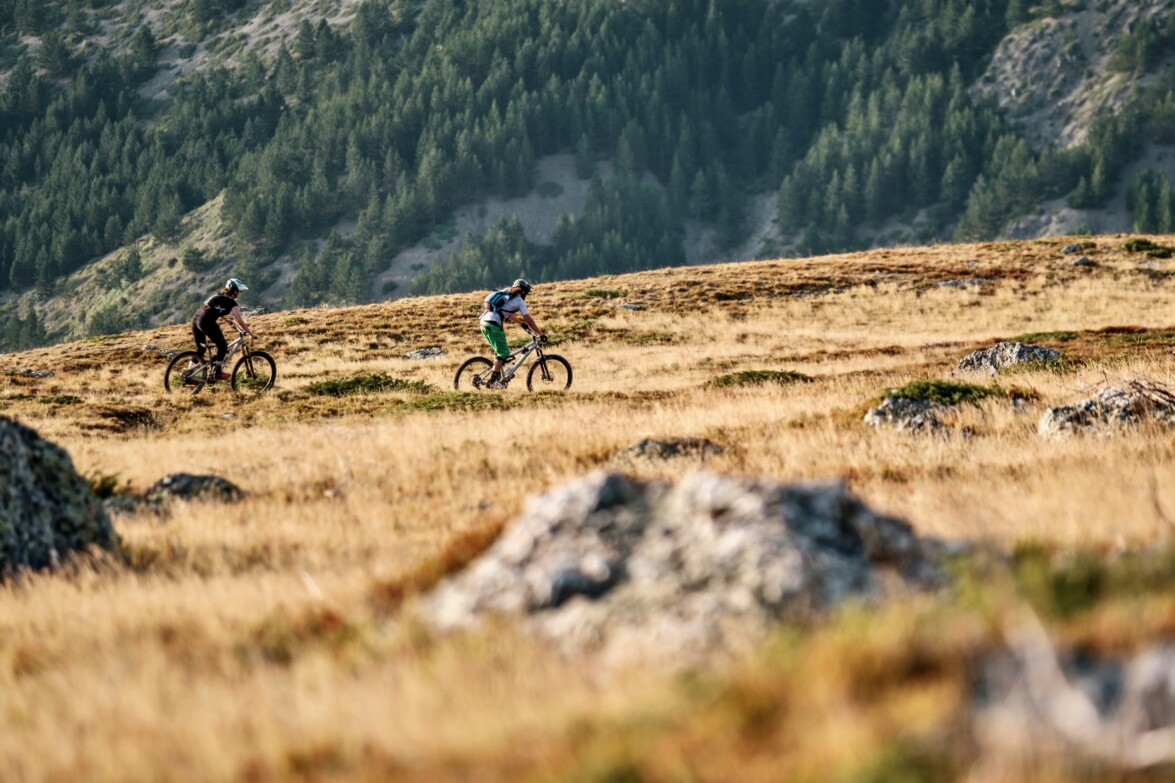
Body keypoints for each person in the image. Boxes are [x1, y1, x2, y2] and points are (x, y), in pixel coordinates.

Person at [479, 278, 546, 388]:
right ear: (524, 291)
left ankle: (495, 374)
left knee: (499, 353)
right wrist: (540, 333)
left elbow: (508, 313)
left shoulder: (506, 293)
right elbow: (529, 320)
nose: (527, 294)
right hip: (493, 325)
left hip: (484, 323)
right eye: (527, 292)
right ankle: (492, 382)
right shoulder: (519, 301)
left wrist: (520, 323)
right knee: (504, 353)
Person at [191, 278, 256, 382]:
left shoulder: (219, 295)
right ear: (235, 291)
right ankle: (218, 373)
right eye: (240, 291)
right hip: (207, 321)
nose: (241, 293)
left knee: (201, 349)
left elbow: (208, 303)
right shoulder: (232, 302)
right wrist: (250, 333)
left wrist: (227, 320)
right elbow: (239, 319)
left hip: (196, 319)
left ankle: (190, 374)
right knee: (223, 346)